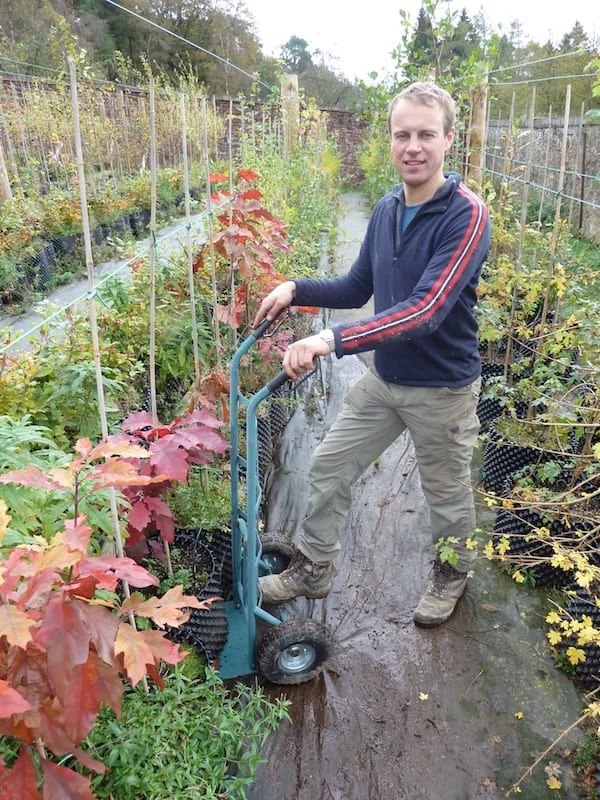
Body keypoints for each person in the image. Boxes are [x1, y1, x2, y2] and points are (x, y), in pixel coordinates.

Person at [254, 81, 491, 627]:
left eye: (426, 134)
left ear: (448, 139)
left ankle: (451, 573)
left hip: (443, 389)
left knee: (445, 494)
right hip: (386, 379)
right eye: (402, 135)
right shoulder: (387, 209)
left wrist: (330, 340)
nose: (414, 146)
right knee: (328, 464)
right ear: (390, 140)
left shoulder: (466, 215)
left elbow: (425, 310)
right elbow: (358, 285)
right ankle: (314, 567)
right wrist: (296, 288)